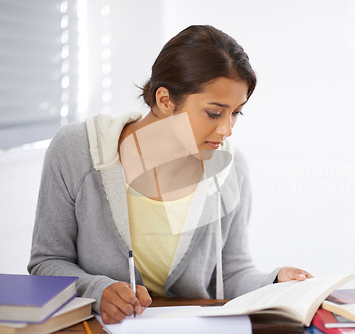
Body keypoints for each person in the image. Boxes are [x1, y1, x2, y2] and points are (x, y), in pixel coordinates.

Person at [28, 25, 312, 324]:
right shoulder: (76, 150)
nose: (227, 130)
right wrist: (99, 290)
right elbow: (47, 262)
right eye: (214, 113)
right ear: (164, 100)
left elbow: (231, 271)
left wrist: (275, 282)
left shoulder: (230, 168)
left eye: (236, 113)